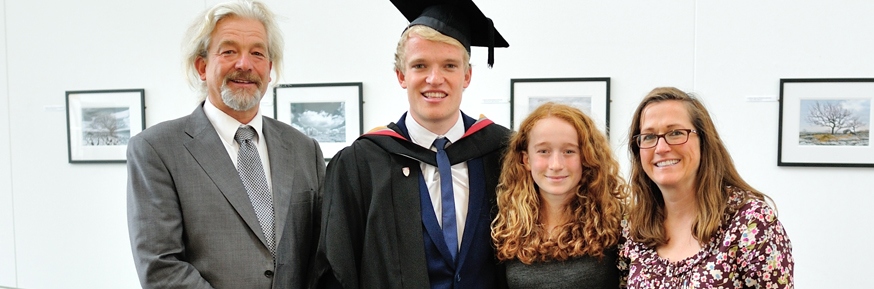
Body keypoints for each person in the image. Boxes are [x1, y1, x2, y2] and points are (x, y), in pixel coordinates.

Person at [311, 0, 510, 288]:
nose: (434, 79)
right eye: (420, 65)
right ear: (402, 75)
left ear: (466, 76)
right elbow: (336, 267)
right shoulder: (361, 163)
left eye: (449, 66)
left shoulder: (504, 152)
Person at [126, 1, 325, 288]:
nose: (244, 64)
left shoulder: (304, 149)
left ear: (269, 69)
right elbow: (161, 268)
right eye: (229, 51)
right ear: (202, 66)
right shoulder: (156, 150)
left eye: (257, 53)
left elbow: (319, 256)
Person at [621, 87, 794, 288]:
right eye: (649, 136)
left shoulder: (751, 223)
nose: (661, 148)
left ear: (704, 141)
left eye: (676, 133)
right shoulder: (634, 227)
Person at [491, 103, 627, 288]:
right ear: (526, 159)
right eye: (543, 151)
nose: (556, 165)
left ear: (586, 157)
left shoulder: (616, 221)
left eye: (569, 151)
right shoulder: (504, 226)